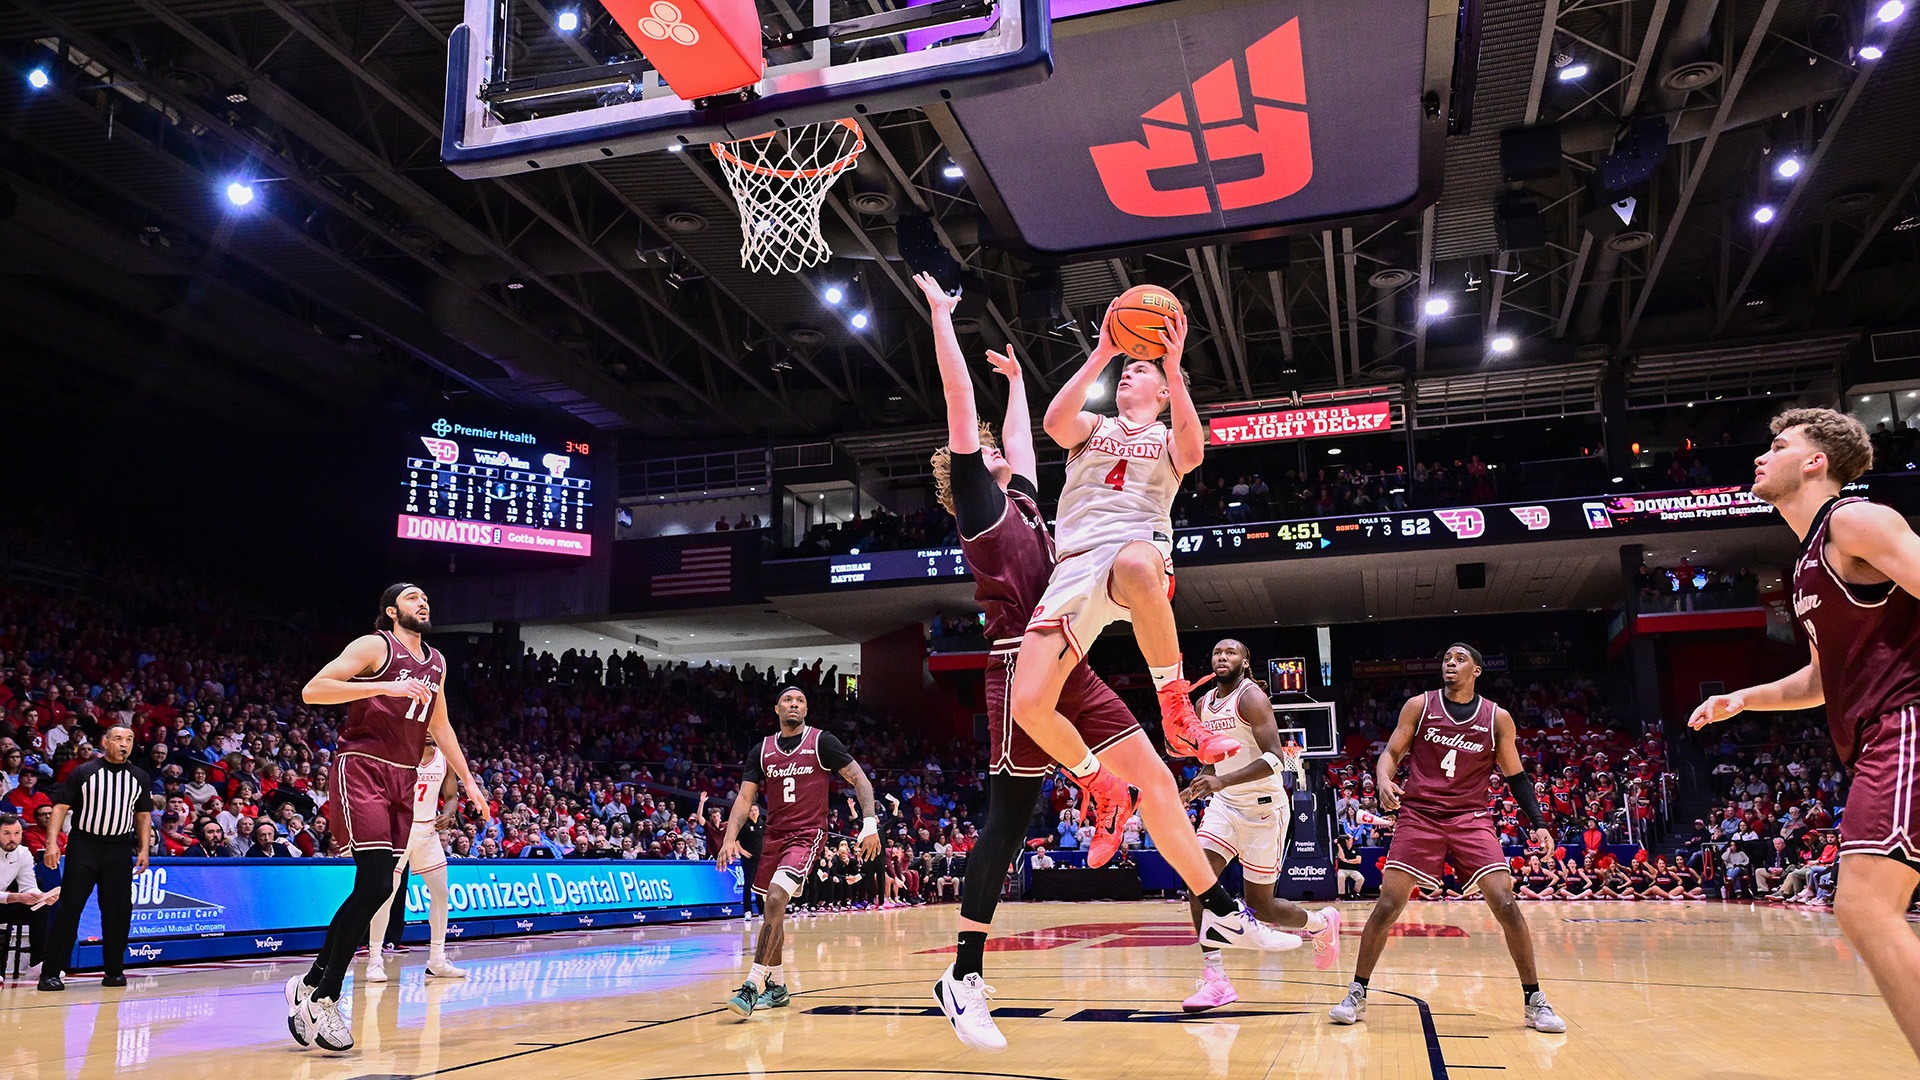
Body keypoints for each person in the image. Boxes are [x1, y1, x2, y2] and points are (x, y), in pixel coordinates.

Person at [912, 274, 1300, 1054]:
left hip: (1077, 645)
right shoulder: (982, 509)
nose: (995, 451)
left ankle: (1217, 901)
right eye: (983, 452)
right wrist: (941, 321)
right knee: (1008, 821)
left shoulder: (1021, 496)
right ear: (965, 472)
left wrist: (1018, 382)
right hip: (1019, 659)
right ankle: (966, 970)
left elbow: (1024, 440)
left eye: (995, 448)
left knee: (1158, 779)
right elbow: (966, 412)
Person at [1690, 408, 1920, 1060]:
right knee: (1868, 907)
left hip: (1906, 722)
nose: (1762, 457)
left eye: (1779, 446)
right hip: (1877, 732)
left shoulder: (1855, 520)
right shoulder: (1810, 561)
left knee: (1866, 906)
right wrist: (1742, 698)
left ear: (1816, 461)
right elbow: (1823, 678)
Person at [1010, 293, 1235, 789]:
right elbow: (1053, 425)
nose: (1129, 374)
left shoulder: (1168, 437)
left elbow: (1195, 452)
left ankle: (1175, 709)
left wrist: (1174, 372)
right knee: (1026, 704)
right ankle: (1100, 785)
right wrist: (1102, 353)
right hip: (1074, 565)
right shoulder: (1094, 427)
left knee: (1135, 564)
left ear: (1161, 394)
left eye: (1140, 370)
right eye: (1125, 370)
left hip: (1136, 549)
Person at [285, 584, 488, 1053]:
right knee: (378, 883)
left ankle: (311, 984)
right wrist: (385, 684)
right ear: (392, 610)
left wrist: (470, 783)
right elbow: (313, 690)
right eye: (413, 597)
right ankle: (326, 996)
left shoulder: (436, 662)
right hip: (362, 765)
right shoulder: (376, 645)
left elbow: (441, 726)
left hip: (404, 776)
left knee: (375, 887)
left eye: (426, 597)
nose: (424, 602)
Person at [1329, 644, 1567, 1034]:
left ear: (1477, 670)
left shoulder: (1496, 717)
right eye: (1446, 659)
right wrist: (1384, 778)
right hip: (1419, 815)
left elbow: (1517, 776)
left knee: (1506, 902)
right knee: (1387, 904)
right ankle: (1357, 992)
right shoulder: (1420, 706)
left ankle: (1534, 1001)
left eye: (1459, 659)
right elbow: (1390, 752)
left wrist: (1539, 822)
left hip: (1470, 817)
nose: (1450, 664)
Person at [1178, 640, 1341, 1012]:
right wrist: (1199, 784)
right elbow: (1212, 759)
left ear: (1245, 662)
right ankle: (1215, 978)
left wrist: (1221, 781)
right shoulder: (1204, 704)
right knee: (1197, 878)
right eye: (1217, 652)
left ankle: (1319, 923)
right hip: (1225, 806)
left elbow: (1274, 759)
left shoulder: (1251, 698)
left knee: (1261, 906)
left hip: (1264, 810)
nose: (1223, 657)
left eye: (1231, 653)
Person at [715, 687, 880, 1018]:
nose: (794, 704)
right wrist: (729, 838)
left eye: (800, 701)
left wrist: (870, 823)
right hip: (774, 836)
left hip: (807, 834)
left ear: (806, 709)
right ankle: (777, 987)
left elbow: (859, 779)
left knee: (776, 898)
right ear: (777, 708)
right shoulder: (761, 750)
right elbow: (745, 800)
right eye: (788, 700)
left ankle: (752, 984)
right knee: (772, 911)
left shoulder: (822, 741)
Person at [37, 724, 152, 992]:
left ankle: (114, 971)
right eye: (118, 739)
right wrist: (51, 843)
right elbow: (60, 807)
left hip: (119, 848)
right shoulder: (85, 771)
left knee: (118, 911)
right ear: (105, 742)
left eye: (129, 739)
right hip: (84, 846)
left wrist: (144, 849)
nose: (124, 744)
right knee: (70, 908)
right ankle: (51, 972)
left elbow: (143, 815)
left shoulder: (139, 777)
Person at [364, 735, 466, 982]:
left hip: (427, 831)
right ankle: (375, 959)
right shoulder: (399, 752)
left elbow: (452, 796)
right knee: (386, 893)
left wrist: (448, 813)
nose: (431, 731)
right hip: (399, 829)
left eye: (434, 725)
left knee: (441, 893)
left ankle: (437, 959)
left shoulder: (444, 758)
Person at [2, 812, 57, 972]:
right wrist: (16, 897)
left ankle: (37, 962)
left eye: (17, 833)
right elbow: (16, 896)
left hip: (4, 902)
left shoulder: (23, 853)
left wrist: (39, 896)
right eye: (7, 834)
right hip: (5, 899)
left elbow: (28, 885)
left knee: (41, 906)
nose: (13, 838)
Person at [1335, 831, 1364, 900]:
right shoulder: (1342, 848)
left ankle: (1356, 892)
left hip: (1353, 870)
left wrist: (1347, 861)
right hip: (1342, 869)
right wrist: (1338, 845)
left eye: (1349, 838)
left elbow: (1358, 860)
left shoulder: (1355, 849)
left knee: (1360, 878)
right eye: (1347, 838)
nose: (1348, 840)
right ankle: (1341, 894)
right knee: (1341, 876)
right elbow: (1341, 857)